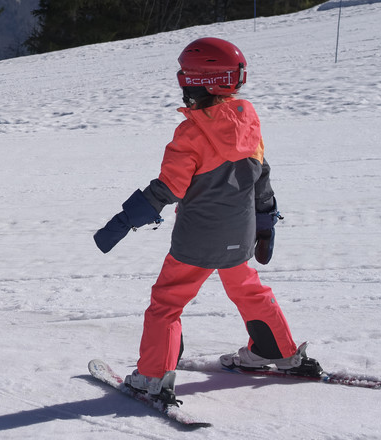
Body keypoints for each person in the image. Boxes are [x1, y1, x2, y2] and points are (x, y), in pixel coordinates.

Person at [92, 37, 322, 404]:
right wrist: (265, 225)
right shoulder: (248, 119)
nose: (182, 82)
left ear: (198, 81)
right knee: (250, 292)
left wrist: (122, 221)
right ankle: (279, 353)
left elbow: (168, 187)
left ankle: (152, 377)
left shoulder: (192, 133)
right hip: (240, 235)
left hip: (196, 241)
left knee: (167, 302)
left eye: (184, 76)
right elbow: (262, 177)